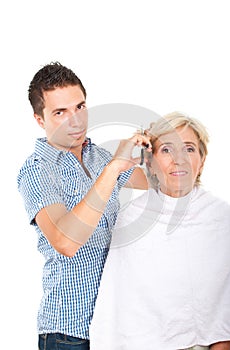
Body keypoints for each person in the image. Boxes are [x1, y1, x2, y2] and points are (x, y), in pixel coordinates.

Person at [17, 62, 152, 350]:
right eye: (60, 112)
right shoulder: (38, 169)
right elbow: (65, 241)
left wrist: (161, 146)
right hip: (68, 334)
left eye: (80, 107)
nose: (76, 121)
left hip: (113, 326)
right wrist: (114, 168)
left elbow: (160, 183)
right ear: (40, 119)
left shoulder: (98, 157)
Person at [89, 112, 230, 350]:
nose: (179, 159)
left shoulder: (225, 220)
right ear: (150, 163)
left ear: (202, 160)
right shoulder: (130, 219)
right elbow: (116, 307)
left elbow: (226, 310)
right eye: (166, 150)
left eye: (189, 149)